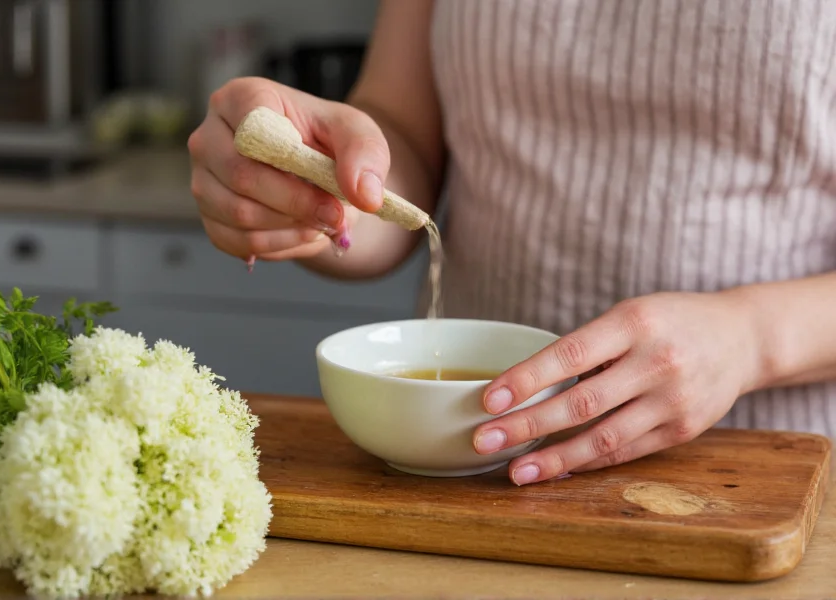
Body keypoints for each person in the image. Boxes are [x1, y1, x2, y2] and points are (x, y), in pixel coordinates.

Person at [188, 0, 836, 486]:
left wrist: (752, 337)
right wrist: (315, 188)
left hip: (758, 473)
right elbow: (404, 141)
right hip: (466, 473)